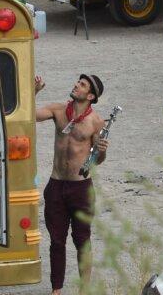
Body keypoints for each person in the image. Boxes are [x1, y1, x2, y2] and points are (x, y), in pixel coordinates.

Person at [35, 73, 109, 295]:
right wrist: (35, 90)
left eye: (83, 84)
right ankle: (56, 290)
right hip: (56, 185)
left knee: (82, 240)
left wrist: (102, 151)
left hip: (80, 188)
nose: (77, 85)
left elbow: (96, 160)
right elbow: (29, 115)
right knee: (56, 242)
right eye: (78, 81)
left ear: (91, 95)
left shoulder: (96, 122)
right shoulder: (59, 111)